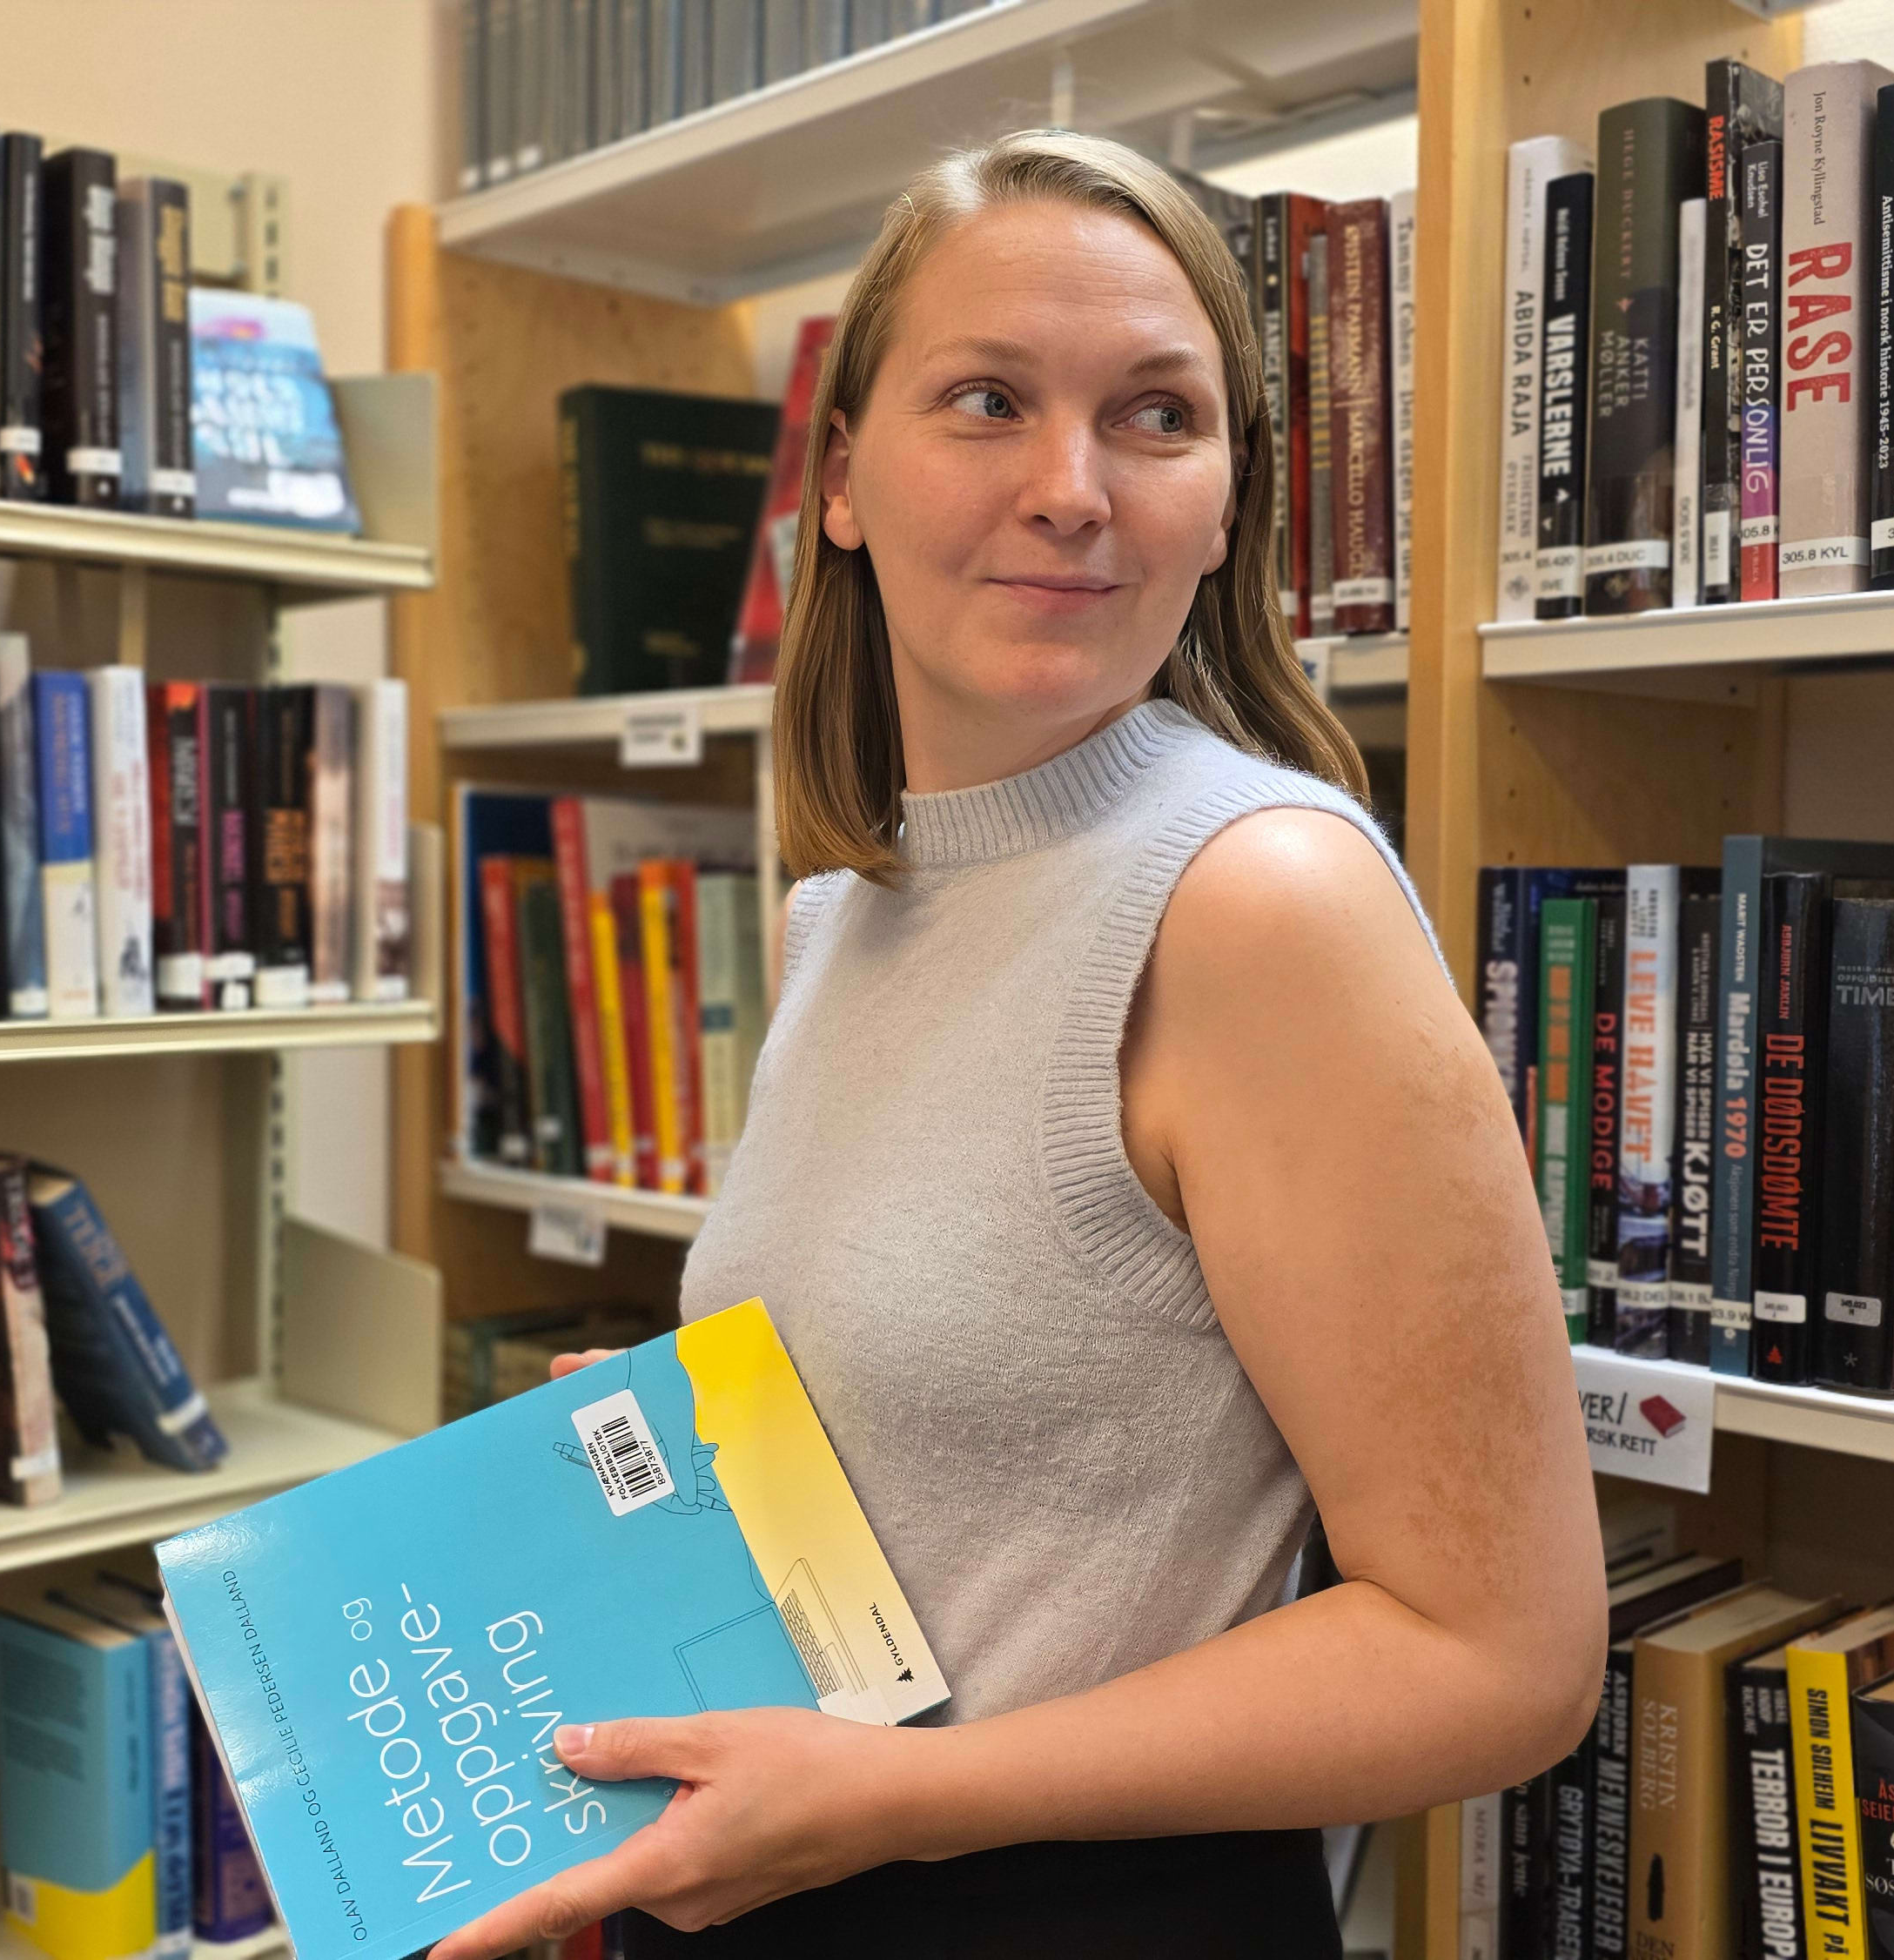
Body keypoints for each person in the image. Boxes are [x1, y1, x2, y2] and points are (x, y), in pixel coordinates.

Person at [428, 131, 1602, 1960]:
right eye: (987, 401)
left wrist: (898, 1798)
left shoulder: (1258, 902)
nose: (1071, 489)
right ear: (838, 479)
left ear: (1227, 499)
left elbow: (1501, 1660)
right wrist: (708, 1449)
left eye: (1155, 416)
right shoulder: (848, 905)